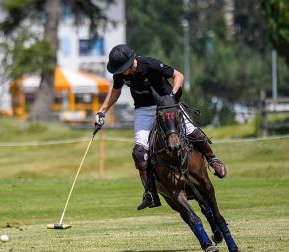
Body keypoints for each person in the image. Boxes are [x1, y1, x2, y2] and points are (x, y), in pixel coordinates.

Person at [94, 44, 226, 210]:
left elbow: (178, 76)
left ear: (132, 61)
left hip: (166, 105)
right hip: (143, 110)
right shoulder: (121, 73)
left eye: (124, 68)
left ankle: (213, 160)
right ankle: (150, 193)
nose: (122, 72)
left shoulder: (149, 64)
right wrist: (101, 111)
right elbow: (115, 91)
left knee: (193, 131)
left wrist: (172, 96)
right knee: (139, 153)